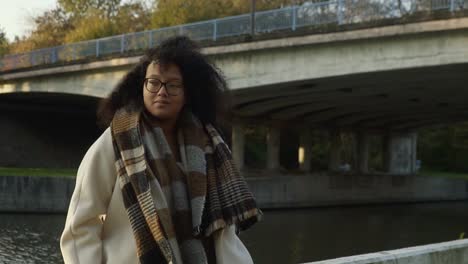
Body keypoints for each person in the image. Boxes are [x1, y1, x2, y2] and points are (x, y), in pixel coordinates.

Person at [60, 36, 262, 264]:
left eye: (173, 85)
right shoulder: (116, 141)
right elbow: (81, 223)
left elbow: (224, 231)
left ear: (189, 93)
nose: (161, 91)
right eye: (153, 82)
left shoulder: (209, 144)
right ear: (141, 86)